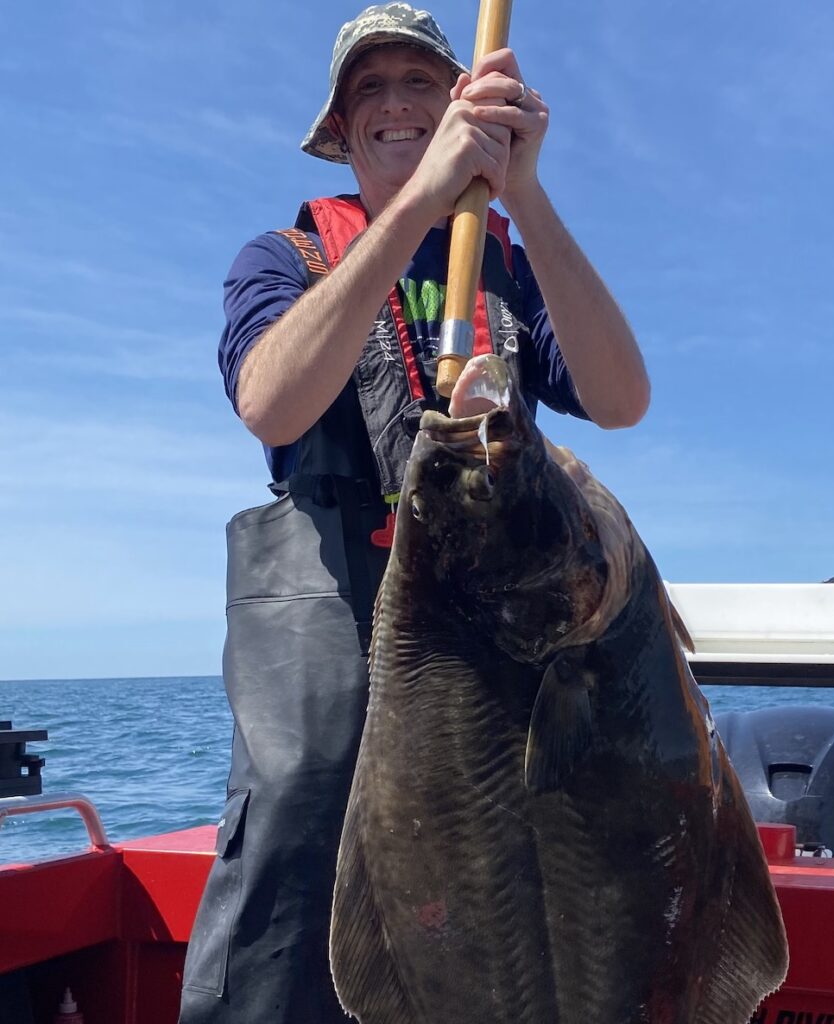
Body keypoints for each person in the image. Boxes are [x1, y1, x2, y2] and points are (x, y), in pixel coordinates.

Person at [178, 4, 650, 1022]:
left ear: (455, 106)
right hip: (336, 609)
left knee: (523, 873)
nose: (396, 104)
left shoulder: (508, 266)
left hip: (495, 634)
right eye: (370, 93)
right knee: (297, 848)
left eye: (420, 85)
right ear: (342, 133)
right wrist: (415, 209)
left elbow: (620, 399)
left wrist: (521, 191)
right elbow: (271, 400)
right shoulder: (282, 258)